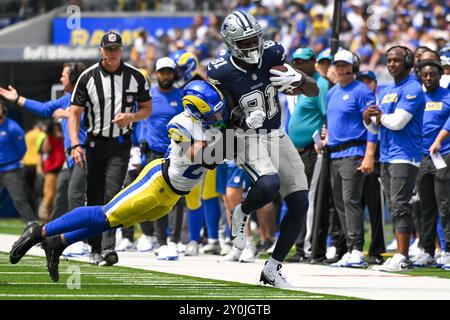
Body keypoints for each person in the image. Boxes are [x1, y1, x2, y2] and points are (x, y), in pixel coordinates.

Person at [9, 80, 229, 283]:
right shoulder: (181, 124)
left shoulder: (211, 125)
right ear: (194, 112)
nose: (218, 118)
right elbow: (200, 154)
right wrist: (232, 140)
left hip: (171, 195)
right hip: (156, 183)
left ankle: (59, 243)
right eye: (213, 114)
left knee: (112, 222)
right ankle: (39, 231)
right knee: (104, 213)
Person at [206, 10, 318, 288]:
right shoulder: (221, 71)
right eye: (245, 42)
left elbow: (313, 90)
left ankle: (272, 268)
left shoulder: (273, 53)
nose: (252, 46)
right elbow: (217, 116)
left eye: (255, 39)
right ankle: (243, 212)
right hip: (245, 137)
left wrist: (300, 80)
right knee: (268, 185)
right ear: (231, 44)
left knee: (300, 202)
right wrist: (240, 118)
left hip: (277, 133)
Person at [68, 31, 152, 266]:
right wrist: (75, 144)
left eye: (116, 49)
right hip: (94, 143)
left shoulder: (135, 76)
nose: (112, 53)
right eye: (108, 49)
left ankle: (108, 248)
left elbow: (147, 108)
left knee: (113, 194)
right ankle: (94, 247)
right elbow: (74, 113)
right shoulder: (87, 77)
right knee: (93, 196)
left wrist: (132, 117)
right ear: (101, 50)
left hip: (120, 144)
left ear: (121, 50)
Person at [0, 62, 88, 222]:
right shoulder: (66, 99)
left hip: (84, 155)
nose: (61, 78)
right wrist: (17, 98)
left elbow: (96, 121)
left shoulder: (88, 97)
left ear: (74, 78)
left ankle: (84, 237)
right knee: (60, 198)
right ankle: (52, 236)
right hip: (69, 159)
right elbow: (43, 108)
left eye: (64, 75)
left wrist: (70, 115)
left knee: (77, 196)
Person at [364, 46, 426, 272]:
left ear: (408, 63)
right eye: (389, 60)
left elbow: (398, 122)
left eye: (397, 60)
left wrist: (378, 117)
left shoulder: (413, 87)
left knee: (400, 205)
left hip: (405, 154)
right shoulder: (387, 88)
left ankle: (402, 256)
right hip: (388, 154)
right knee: (394, 205)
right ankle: (401, 254)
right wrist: (366, 118)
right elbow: (376, 125)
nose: (391, 64)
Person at [325, 50, 378, 268]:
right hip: (334, 153)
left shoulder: (362, 91)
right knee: (339, 203)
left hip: (353, 153)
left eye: (343, 64)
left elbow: (374, 124)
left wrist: (369, 155)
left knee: (351, 201)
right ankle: (350, 248)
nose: (339, 69)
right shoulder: (332, 92)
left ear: (353, 67)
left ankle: (357, 249)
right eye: (336, 65)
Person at [285, 47, 329, 263]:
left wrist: (323, 138)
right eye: (296, 62)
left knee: (309, 198)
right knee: (299, 198)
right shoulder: (306, 86)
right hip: (298, 152)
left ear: (314, 61)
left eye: (303, 61)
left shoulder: (321, 85)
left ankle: (309, 247)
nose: (299, 65)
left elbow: (327, 115)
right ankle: (300, 246)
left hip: (312, 151)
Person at [413, 60, 450, 269]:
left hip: (444, 155)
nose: (428, 78)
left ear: (439, 75)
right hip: (422, 158)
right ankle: (427, 251)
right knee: (425, 207)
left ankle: (448, 251)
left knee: (445, 206)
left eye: (432, 75)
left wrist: (439, 140)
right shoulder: (418, 98)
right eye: (425, 75)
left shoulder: (447, 96)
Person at [355, 70, 386, 265]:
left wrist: (371, 155)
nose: (365, 84)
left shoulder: (379, 101)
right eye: (362, 81)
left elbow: (374, 130)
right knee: (355, 205)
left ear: (375, 83)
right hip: (355, 156)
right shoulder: (357, 99)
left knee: (376, 207)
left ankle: (376, 250)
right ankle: (354, 248)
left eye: (368, 81)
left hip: (376, 156)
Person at [0, 99, 36, 222]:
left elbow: (22, 149)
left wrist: (12, 161)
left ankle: (32, 226)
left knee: (19, 199)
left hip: (11, 170)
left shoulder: (13, 128)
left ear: (3, 110)